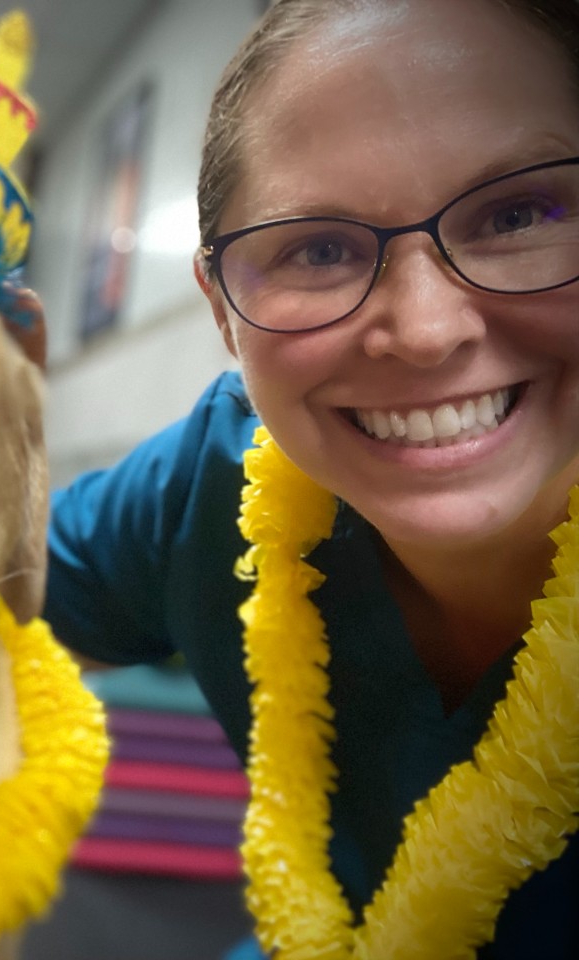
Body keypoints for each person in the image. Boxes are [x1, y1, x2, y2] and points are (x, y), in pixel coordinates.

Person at [43, 0, 579, 956]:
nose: (425, 330)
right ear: (221, 311)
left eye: (520, 214)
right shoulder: (210, 481)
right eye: (319, 249)